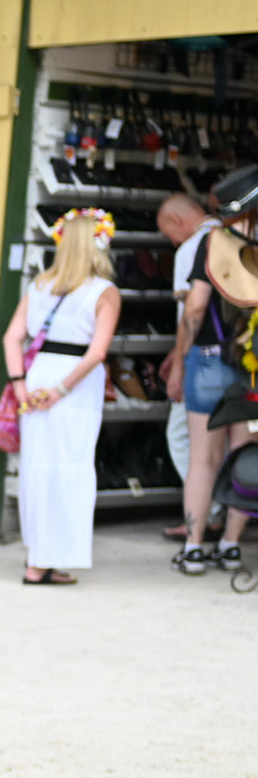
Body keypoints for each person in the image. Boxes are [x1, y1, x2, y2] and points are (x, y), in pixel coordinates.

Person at [1, 209, 121, 585]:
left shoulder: (38, 286)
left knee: (37, 466)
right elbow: (97, 352)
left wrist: (22, 386)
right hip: (74, 384)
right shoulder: (104, 292)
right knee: (70, 465)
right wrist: (62, 390)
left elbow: (11, 338)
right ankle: (54, 558)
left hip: (37, 375)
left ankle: (36, 560)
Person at [168, 166, 258, 574]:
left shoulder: (213, 243)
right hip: (251, 366)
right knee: (245, 454)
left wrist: (182, 356)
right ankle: (230, 545)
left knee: (203, 459)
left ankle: (193, 548)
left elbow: (196, 306)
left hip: (207, 360)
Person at [154, 194, 220, 541]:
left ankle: (203, 516)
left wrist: (178, 362)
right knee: (229, 439)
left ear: (178, 222)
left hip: (203, 359)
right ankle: (225, 519)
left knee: (184, 440)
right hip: (237, 357)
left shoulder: (191, 248)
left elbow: (191, 313)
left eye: (169, 233)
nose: (172, 242)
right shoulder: (232, 236)